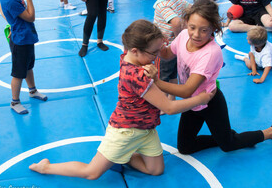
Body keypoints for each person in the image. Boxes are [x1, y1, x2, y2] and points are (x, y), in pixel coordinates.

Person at [29, 19, 213, 179]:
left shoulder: (128, 57)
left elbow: (149, 67)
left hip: (146, 129)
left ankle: (125, 156)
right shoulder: (138, 76)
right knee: (92, 173)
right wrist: (200, 98)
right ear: (135, 50)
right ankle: (46, 167)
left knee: (156, 170)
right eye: (154, 52)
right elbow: (170, 108)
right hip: (126, 131)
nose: (157, 56)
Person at [143, 0, 272, 155]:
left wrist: (156, 82)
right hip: (192, 103)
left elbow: (186, 90)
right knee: (185, 147)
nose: (196, 34)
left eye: (204, 30)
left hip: (209, 102)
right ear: (186, 23)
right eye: (192, 27)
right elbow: (168, 54)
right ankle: (225, 135)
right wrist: (156, 45)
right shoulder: (184, 35)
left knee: (228, 145)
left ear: (213, 29)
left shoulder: (210, 53)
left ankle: (271, 131)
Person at [0, 0, 47, 115]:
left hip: (26, 37)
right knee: (18, 74)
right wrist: (29, 0)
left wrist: (12, 23)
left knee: (28, 67)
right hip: (20, 41)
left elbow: (1, 9)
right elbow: (31, 17)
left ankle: (33, 91)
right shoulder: (11, 1)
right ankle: (15, 102)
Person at [153, 0, 191, 115]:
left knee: (161, 77)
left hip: (166, 48)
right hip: (175, 49)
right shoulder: (177, 0)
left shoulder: (162, 5)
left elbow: (175, 22)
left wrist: (178, 36)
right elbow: (191, 8)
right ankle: (172, 99)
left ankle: (163, 105)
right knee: (173, 74)